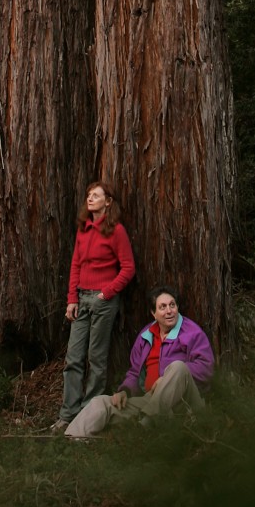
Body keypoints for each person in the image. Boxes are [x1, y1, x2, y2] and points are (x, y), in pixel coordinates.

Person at [63, 284, 214, 439]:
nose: (169, 311)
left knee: (178, 367)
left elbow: (206, 368)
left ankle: (147, 426)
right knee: (101, 402)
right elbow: (135, 372)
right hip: (149, 401)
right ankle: (72, 438)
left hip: (184, 402)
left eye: (172, 305)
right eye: (162, 307)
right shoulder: (146, 336)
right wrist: (125, 391)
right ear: (153, 313)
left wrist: (167, 378)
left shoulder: (192, 332)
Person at [51, 181, 136, 431]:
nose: (90, 198)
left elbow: (128, 268)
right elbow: (76, 265)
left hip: (103, 301)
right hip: (81, 299)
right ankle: (68, 414)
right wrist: (71, 299)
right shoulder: (83, 229)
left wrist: (106, 293)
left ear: (108, 201)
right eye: (89, 194)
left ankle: (88, 416)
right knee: (73, 358)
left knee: (96, 359)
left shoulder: (116, 230)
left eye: (96, 195)